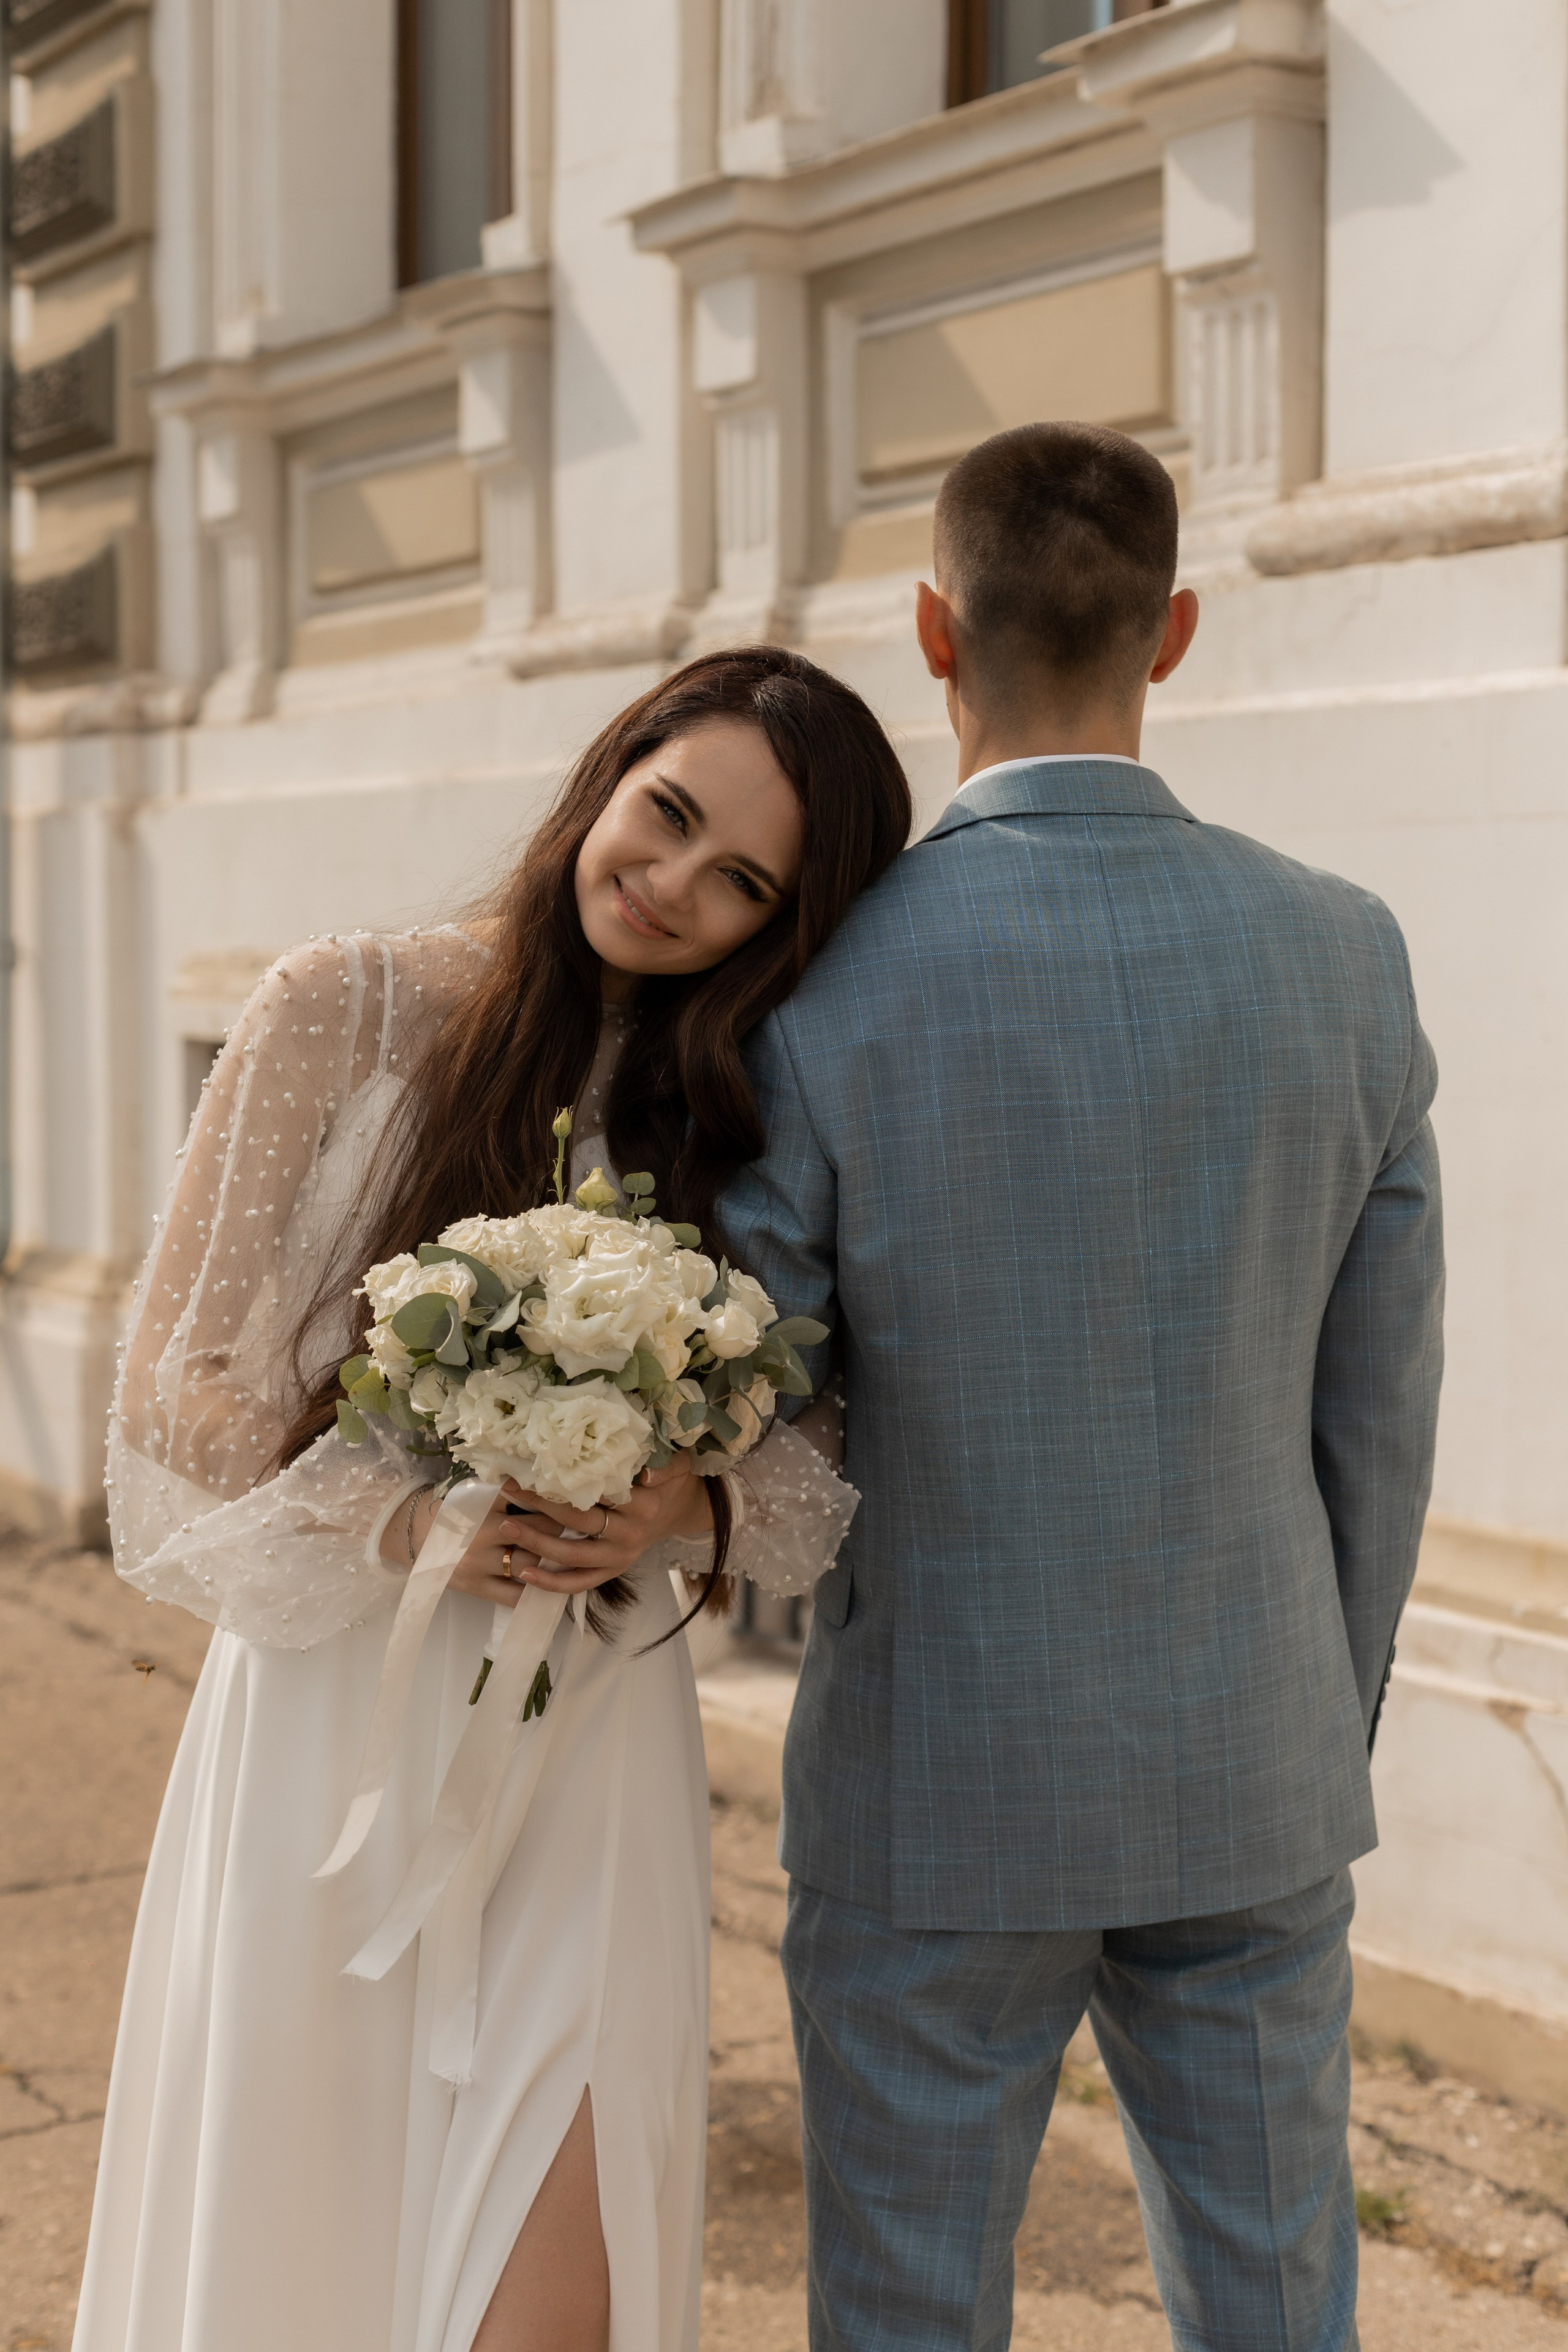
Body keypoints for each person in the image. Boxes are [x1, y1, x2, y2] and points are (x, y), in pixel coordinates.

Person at [74, 647, 909, 2352]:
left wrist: (681, 1508)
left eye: (741, 881)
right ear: (614, 771)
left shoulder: (735, 1105)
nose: (673, 886)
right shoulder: (347, 1002)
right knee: (305, 2228)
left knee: (558, 2282)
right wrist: (400, 1513)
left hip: (592, 1732)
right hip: (339, 1712)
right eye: (667, 817)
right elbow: (175, 1375)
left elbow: (815, 1466)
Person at [723, 422, 1444, 2351]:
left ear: (933, 634)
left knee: (903, 2305)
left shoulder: (824, 983)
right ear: (1178, 627)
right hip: (1254, 1750)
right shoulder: (1347, 956)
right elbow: (1379, 1415)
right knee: (1280, 2294)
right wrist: (1321, 1702)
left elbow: (747, 1392)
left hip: (930, 1777)